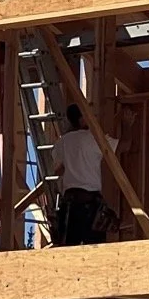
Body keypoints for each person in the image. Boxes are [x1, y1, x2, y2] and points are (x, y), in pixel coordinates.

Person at [54, 105, 110, 246]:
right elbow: (124, 146)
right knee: (95, 250)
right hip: (90, 204)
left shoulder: (63, 142)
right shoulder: (93, 139)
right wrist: (127, 124)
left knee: (68, 249)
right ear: (82, 119)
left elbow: (57, 170)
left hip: (70, 204)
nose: (94, 118)